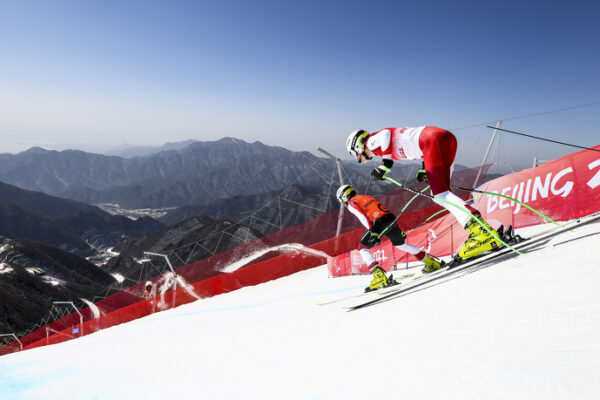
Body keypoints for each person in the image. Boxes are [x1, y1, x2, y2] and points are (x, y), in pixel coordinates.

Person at [346, 127, 501, 260]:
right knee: (441, 194)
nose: (361, 160)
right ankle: (482, 229)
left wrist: (386, 164)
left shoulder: (371, 142)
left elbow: (386, 133)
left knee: (441, 195)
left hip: (430, 140)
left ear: (358, 146)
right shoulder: (379, 146)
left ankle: (481, 231)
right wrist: (423, 167)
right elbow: (416, 146)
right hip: (442, 139)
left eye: (357, 156)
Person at [336, 184, 445, 292]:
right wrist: (397, 229)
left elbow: (363, 217)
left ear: (344, 197)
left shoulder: (352, 203)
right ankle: (431, 263)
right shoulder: (365, 197)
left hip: (378, 221)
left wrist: (372, 231)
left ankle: (379, 277)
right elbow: (383, 211)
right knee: (401, 244)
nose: (343, 203)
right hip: (390, 219)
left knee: (362, 248)